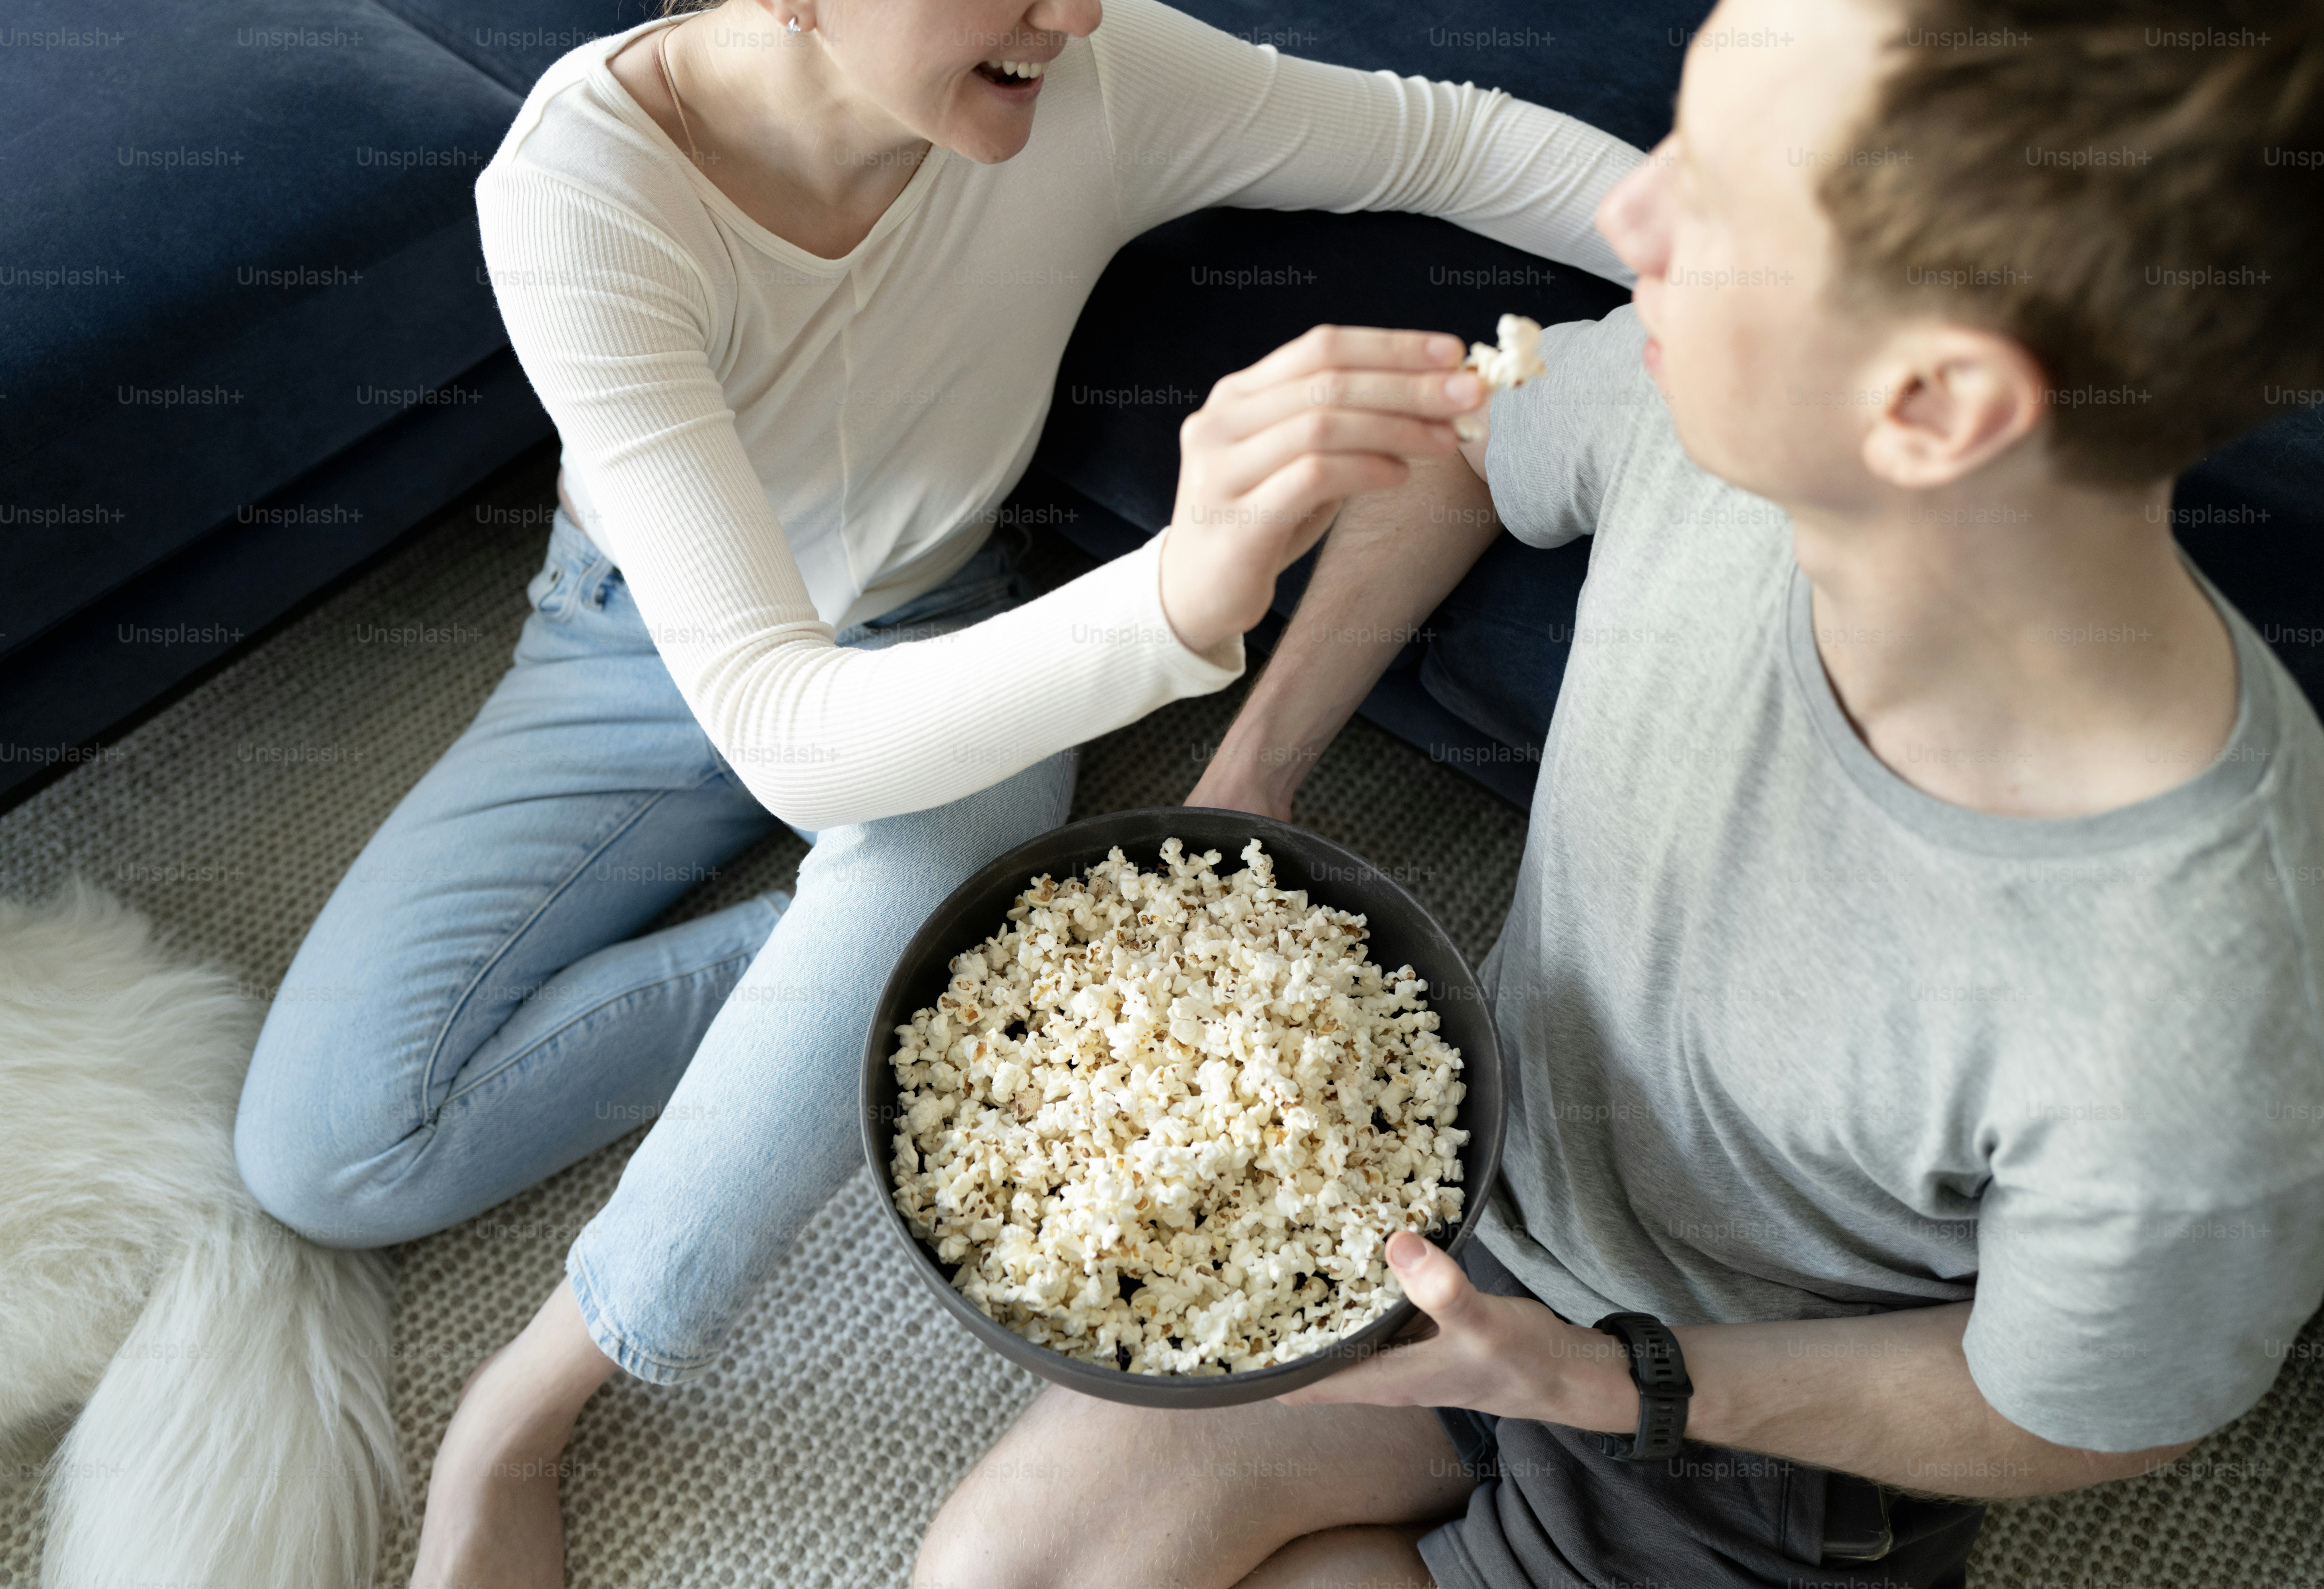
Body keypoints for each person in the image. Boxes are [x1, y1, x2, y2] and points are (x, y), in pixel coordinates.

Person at [226, 0, 1644, 1581]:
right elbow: (775, 715)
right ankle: (893, 956)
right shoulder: (581, 190)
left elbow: (1441, 135)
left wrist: (1735, 272)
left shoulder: (1091, 78)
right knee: (326, 1154)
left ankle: (526, 1404)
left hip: (959, 637)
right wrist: (1180, 596)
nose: (1075, 10)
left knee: (937, 862)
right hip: (639, 646)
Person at [915, 0, 2324, 1583]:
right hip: (1470, 1198)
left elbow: (2088, 1418)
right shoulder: (1719, 407)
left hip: (1753, 1440)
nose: (1624, 209)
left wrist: (1599, 1381)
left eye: (1712, 193)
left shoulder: (2208, 1009)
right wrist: (1246, 784)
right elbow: (1462, 447)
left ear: (1934, 405)